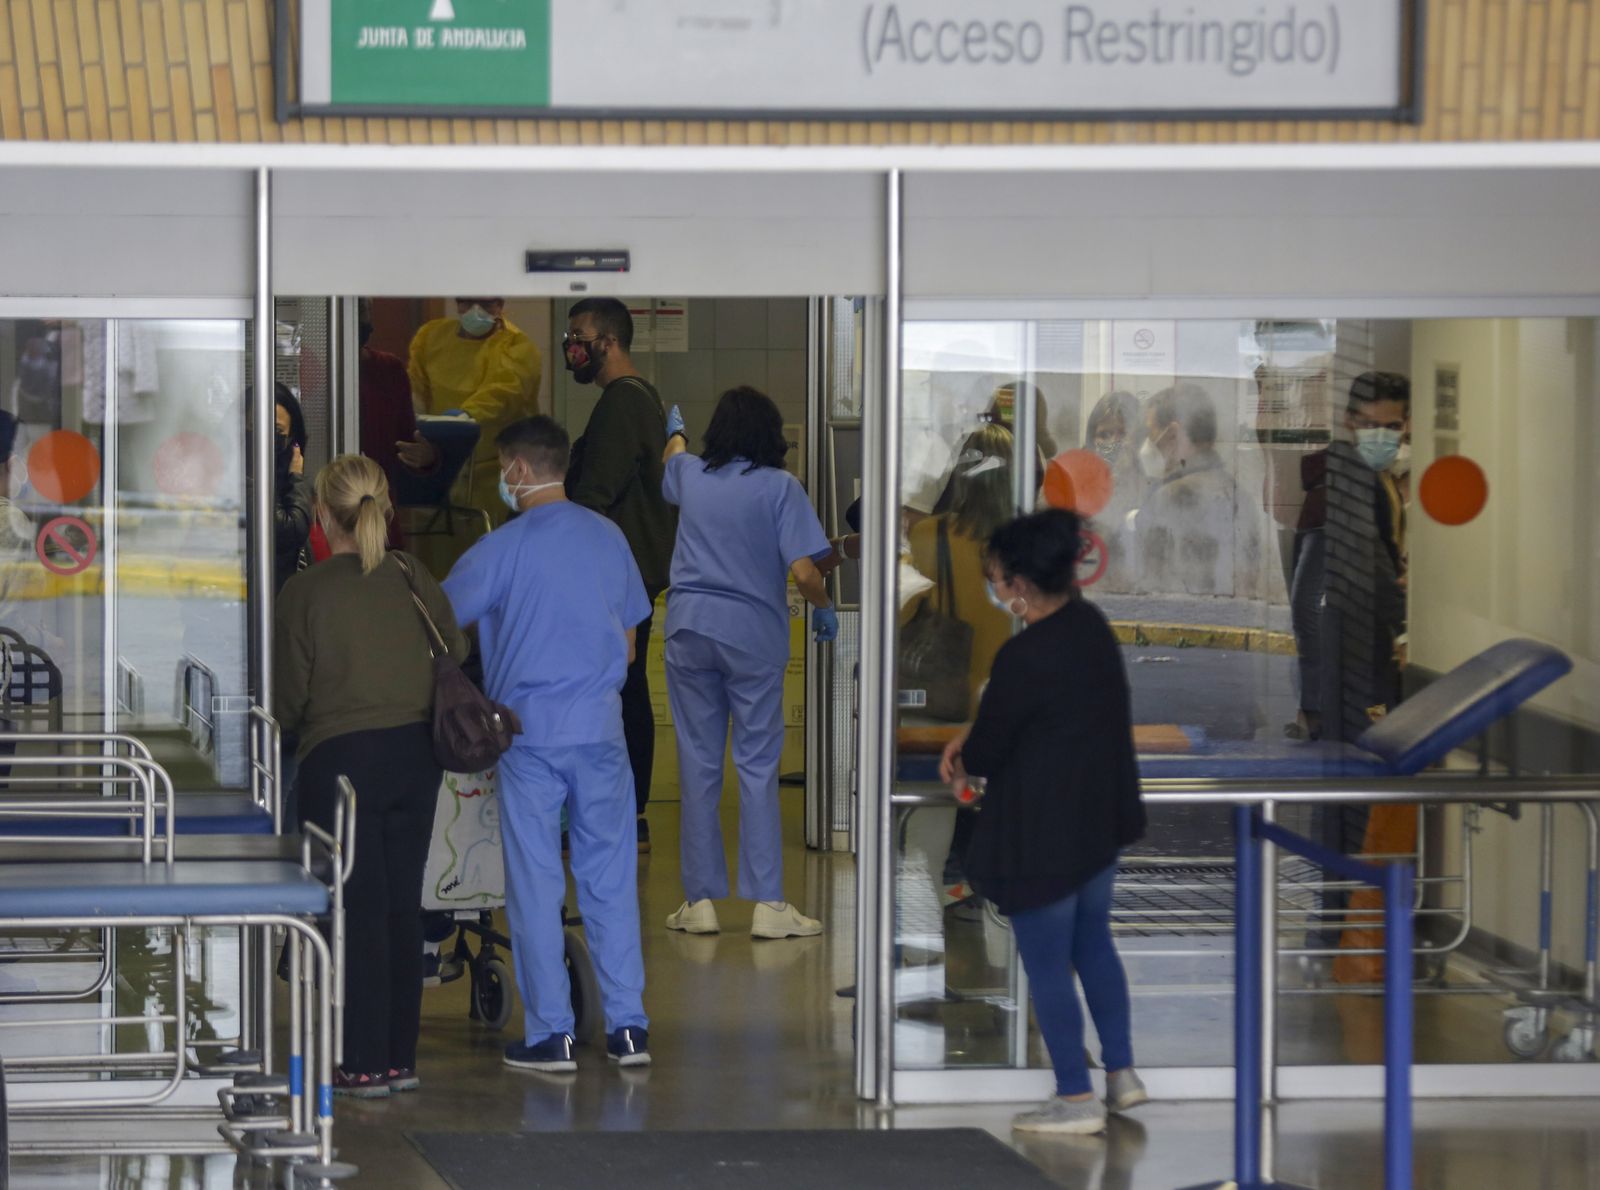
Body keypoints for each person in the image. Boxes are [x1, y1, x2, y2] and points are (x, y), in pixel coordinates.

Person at [443, 416, 653, 1073]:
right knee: (610, 879)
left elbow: (439, 621)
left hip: (529, 734)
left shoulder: (501, 549)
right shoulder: (609, 538)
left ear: (519, 471)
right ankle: (627, 1031)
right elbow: (629, 640)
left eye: (502, 468)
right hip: (600, 729)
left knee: (535, 881)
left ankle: (552, 1035)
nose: (501, 479)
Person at [939, 508, 1148, 1136]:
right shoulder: (1091, 628)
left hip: (1042, 837)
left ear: (1022, 585)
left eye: (998, 578)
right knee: (1095, 948)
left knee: (1048, 964)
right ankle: (1122, 1074)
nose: (996, 590)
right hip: (1098, 828)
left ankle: (1075, 1098)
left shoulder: (1023, 656)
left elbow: (988, 750)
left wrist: (963, 763)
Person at [274, 455, 468, 1098]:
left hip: (342, 765)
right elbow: (456, 652)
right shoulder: (414, 575)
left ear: (325, 517)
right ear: (384, 509)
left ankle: (360, 1062)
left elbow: (288, 701)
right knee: (400, 908)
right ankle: (397, 1059)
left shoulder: (305, 592)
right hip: (417, 758)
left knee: (355, 910)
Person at [659, 388, 836, 940]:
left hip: (688, 629)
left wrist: (677, 433)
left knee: (698, 762)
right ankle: (770, 906)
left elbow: (672, 460)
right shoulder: (780, 486)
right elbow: (806, 573)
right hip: (751, 637)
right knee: (757, 765)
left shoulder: (689, 473)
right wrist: (825, 610)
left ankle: (699, 902)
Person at [562, 297, 675, 853]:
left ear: (608, 341)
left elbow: (593, 498)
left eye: (578, 335)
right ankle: (629, 815)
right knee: (628, 689)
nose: (571, 347)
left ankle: (621, 816)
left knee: (617, 693)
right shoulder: (645, 400)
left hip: (612, 577)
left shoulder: (619, 406)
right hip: (636, 574)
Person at [402, 297, 540, 522]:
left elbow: (504, 392)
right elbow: (416, 388)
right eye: (467, 302)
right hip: (440, 467)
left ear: (500, 304)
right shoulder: (431, 337)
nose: (476, 311)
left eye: (486, 304)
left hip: (497, 475)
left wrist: (463, 419)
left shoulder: (517, 347)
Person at [1136, 382, 1263, 599]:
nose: (1148, 445)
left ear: (1173, 434)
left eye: (1151, 433)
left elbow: (1149, 581)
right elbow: (1248, 580)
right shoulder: (1240, 496)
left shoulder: (1170, 497)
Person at [1083, 391, 1145, 592]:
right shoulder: (1068, 483)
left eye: (1123, 433)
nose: (1114, 444)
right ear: (1092, 440)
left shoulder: (1151, 485)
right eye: (1105, 434)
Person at [273, 384, 312, 592]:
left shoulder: (296, 493)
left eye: (277, 431)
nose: (263, 439)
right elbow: (289, 529)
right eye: (255, 426)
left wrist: (295, 478)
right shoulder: (237, 484)